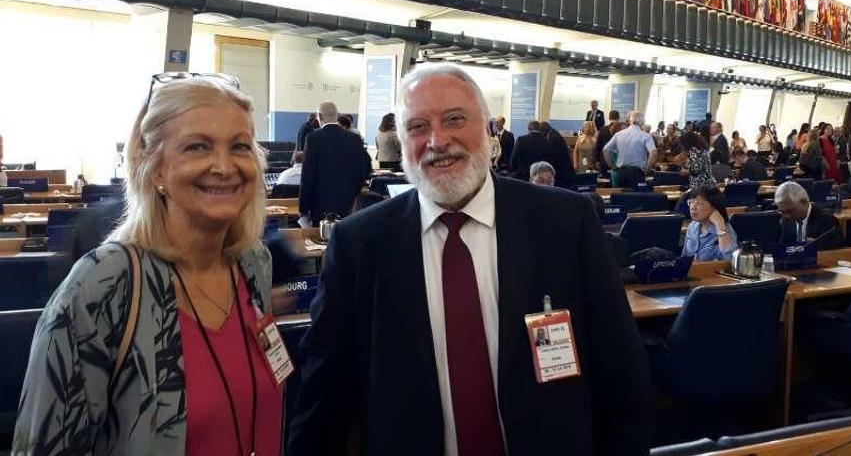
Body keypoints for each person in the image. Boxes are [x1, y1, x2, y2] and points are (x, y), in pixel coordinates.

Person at [287, 64, 652, 455]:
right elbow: (323, 397)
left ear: (488, 131)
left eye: (454, 119)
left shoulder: (566, 222)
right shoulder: (359, 244)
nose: (437, 140)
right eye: (417, 127)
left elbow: (622, 375)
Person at [14, 76, 282, 455]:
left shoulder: (252, 263)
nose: (224, 166)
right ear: (155, 169)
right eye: (197, 147)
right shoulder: (104, 284)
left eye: (239, 146)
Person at [299, 101, 371, 224]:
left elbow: (308, 176)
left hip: (321, 206)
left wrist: (303, 209)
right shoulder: (355, 139)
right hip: (351, 205)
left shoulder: (313, 139)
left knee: (322, 240)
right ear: (337, 116)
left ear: (319, 117)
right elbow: (365, 169)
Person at [775, 181, 842, 250]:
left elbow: (835, 252)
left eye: (790, 211)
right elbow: (783, 248)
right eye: (782, 212)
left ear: (804, 202)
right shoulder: (786, 221)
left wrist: (815, 246)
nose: (786, 216)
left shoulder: (827, 221)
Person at [682, 185, 739, 261]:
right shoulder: (692, 226)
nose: (693, 207)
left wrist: (719, 224)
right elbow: (683, 257)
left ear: (715, 206)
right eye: (691, 202)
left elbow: (729, 260)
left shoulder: (725, 230)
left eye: (699, 203)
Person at [602, 110, 657, 189]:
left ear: (630, 121)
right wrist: (647, 168)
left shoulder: (618, 135)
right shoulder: (646, 136)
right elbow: (654, 152)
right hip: (637, 172)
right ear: (642, 122)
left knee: (620, 198)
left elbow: (605, 150)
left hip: (621, 172)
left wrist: (611, 165)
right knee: (635, 198)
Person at [541, 120, 575, 188]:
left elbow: (553, 156)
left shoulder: (553, 137)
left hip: (562, 170)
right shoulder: (554, 134)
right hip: (564, 168)